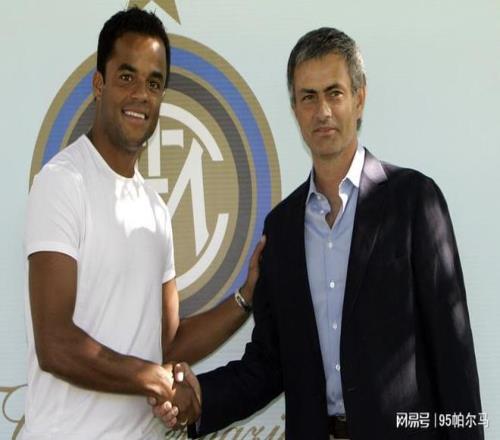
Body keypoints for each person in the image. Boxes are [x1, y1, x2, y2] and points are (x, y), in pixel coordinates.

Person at [157, 27, 484, 439]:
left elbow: (453, 355)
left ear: (359, 99)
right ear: (294, 108)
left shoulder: (415, 202)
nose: (322, 111)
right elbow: (270, 364)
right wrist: (200, 396)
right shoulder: (282, 229)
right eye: (308, 97)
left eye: (335, 93)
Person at [22, 7, 263, 440]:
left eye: (154, 83)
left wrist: (246, 297)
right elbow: (54, 344)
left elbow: (167, 344)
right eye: (126, 77)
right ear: (99, 84)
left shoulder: (154, 209)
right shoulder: (62, 183)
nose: (141, 94)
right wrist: (152, 378)